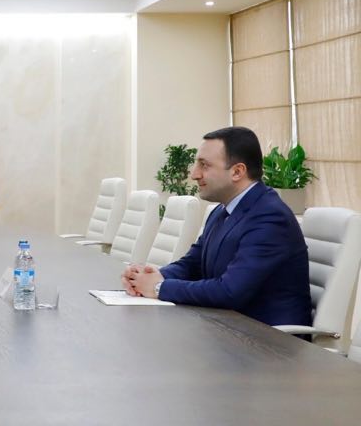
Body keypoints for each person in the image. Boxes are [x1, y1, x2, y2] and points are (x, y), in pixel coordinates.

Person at [122, 126, 311, 327]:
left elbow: (230, 291)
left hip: (267, 338)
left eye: (204, 165)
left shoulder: (269, 216)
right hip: (226, 325)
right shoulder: (222, 211)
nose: (194, 174)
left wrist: (159, 288)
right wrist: (150, 277)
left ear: (237, 172)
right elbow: (193, 264)